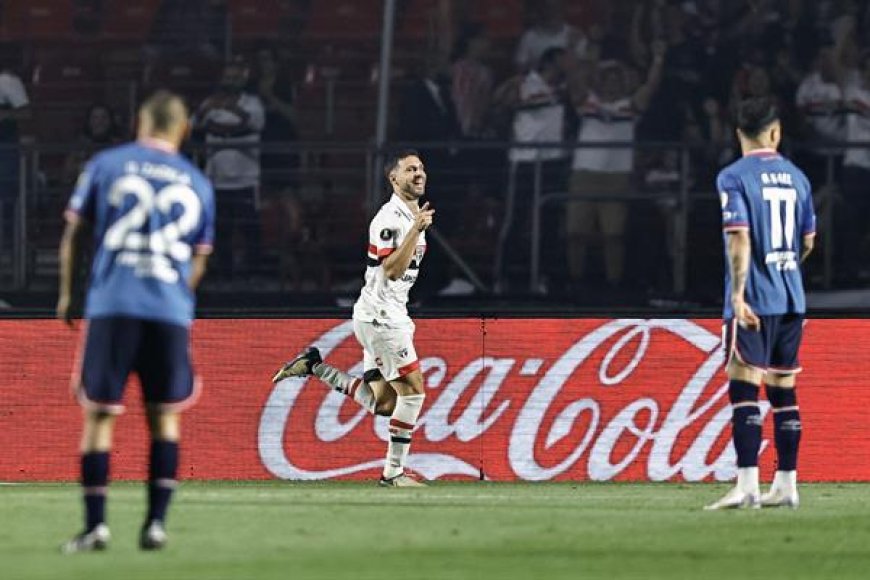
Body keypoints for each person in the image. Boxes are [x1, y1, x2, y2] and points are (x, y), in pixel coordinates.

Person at [57, 91, 215, 551]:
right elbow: (199, 259)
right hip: (167, 311)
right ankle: (155, 525)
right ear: (183, 129)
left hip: (112, 305)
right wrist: (176, 297)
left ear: (138, 124)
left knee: (100, 416)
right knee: (164, 418)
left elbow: (74, 233)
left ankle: (95, 528)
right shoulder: (197, 182)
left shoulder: (107, 164)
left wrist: (69, 294)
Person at [272, 150, 433, 488]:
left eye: (420, 168)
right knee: (414, 394)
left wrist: (416, 226)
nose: (418, 174)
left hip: (381, 315)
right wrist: (416, 230)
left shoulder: (410, 214)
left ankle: (314, 366)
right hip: (382, 320)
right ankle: (393, 473)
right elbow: (391, 269)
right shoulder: (391, 219)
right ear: (394, 178)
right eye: (410, 169)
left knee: (385, 403)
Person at [705, 97, 815, 511]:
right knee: (784, 390)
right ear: (775, 132)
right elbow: (807, 241)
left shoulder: (732, 177)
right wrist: (784, 269)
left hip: (754, 299)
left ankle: (747, 484)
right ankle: (787, 484)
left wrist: (738, 293)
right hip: (792, 298)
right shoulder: (799, 178)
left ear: (739, 135)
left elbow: (738, 236)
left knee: (744, 388)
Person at [566, 42, 665, 289]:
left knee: (614, 235)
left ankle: (614, 284)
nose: (611, 82)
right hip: (584, 175)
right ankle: (574, 281)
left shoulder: (629, 107)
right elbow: (574, 85)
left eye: (616, 78)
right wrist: (581, 59)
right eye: (607, 78)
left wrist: (658, 61)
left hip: (616, 177)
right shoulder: (587, 103)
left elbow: (650, 88)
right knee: (576, 233)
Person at [194, 56, 265, 278]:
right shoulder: (209, 102)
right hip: (216, 179)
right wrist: (226, 122)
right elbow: (196, 122)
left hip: (246, 179)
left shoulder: (252, 102)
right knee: (220, 232)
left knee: (250, 231)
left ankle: (253, 277)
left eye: (236, 75)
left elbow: (254, 123)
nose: (231, 80)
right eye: (228, 75)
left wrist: (226, 117)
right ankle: (223, 277)